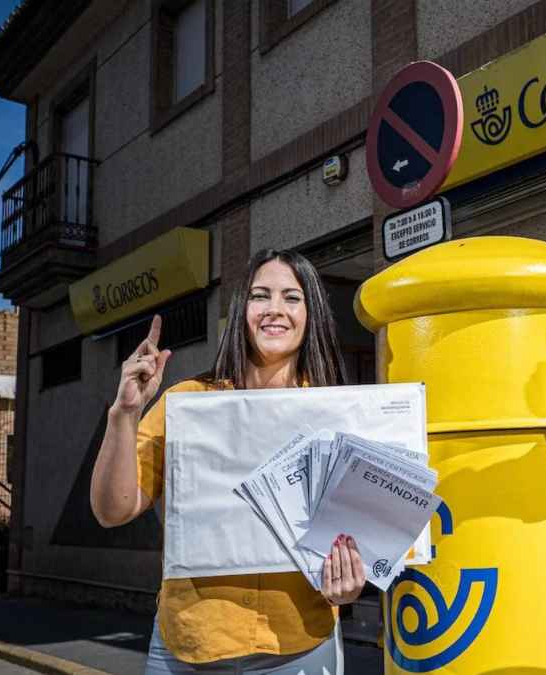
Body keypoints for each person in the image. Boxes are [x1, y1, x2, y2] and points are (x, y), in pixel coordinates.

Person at [90, 249, 365, 674]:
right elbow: (113, 510)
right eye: (260, 296)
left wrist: (349, 584)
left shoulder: (336, 414)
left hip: (299, 643)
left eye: (291, 297)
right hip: (190, 642)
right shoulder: (186, 403)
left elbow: (357, 535)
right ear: (241, 311)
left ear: (311, 314)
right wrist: (124, 413)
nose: (275, 309)